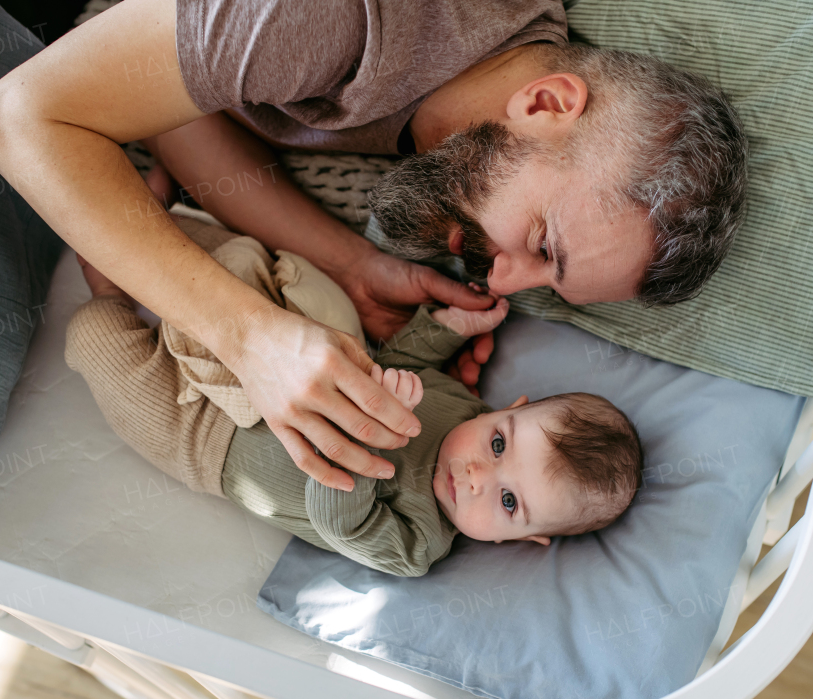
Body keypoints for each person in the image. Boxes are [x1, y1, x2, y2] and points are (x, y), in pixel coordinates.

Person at [0, 0, 745, 495]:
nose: (503, 278)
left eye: (543, 282)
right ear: (546, 104)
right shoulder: (338, 22)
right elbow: (19, 120)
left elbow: (169, 107)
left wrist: (349, 264)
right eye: (542, 242)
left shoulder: (483, 70)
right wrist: (251, 337)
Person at [65, 215, 642, 576]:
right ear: (507, 411)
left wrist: (375, 439)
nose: (474, 475)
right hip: (267, 355)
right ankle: (143, 224)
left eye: (508, 503)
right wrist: (445, 330)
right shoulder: (461, 407)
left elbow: (341, 521)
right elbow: (406, 361)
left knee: (97, 342)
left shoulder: (418, 546)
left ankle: (112, 292)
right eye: (497, 444)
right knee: (240, 260)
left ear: (526, 539)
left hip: (204, 436)